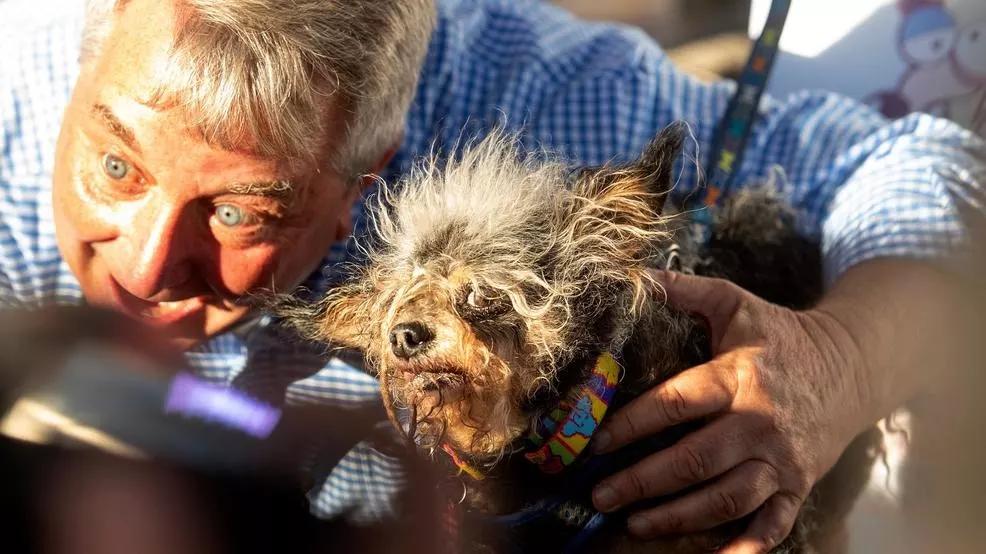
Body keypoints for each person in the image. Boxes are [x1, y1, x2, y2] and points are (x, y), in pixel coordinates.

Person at [1, 0, 983, 551]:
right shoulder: (13, 103)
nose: (138, 261)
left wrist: (839, 356)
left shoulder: (542, 101)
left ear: (367, 175)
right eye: (114, 165)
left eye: (241, 212)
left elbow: (913, 166)